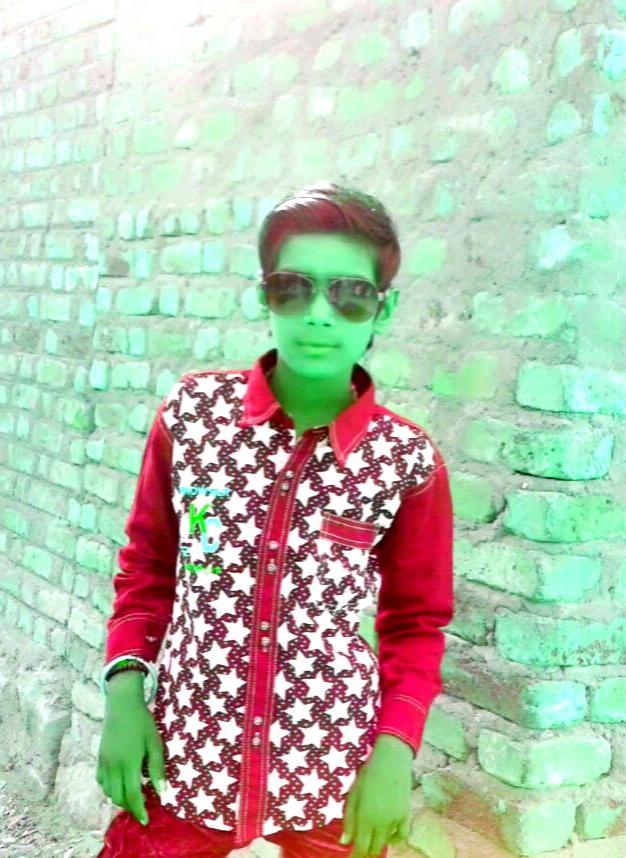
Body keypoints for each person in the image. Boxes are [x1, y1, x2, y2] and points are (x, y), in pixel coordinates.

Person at [96, 181, 454, 857]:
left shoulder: (406, 460)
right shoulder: (193, 417)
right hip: (185, 758)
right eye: (294, 288)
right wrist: (123, 696)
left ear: (383, 308)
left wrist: (395, 751)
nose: (320, 315)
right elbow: (147, 567)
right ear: (264, 296)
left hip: (330, 774)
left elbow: (416, 623)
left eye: (349, 294)